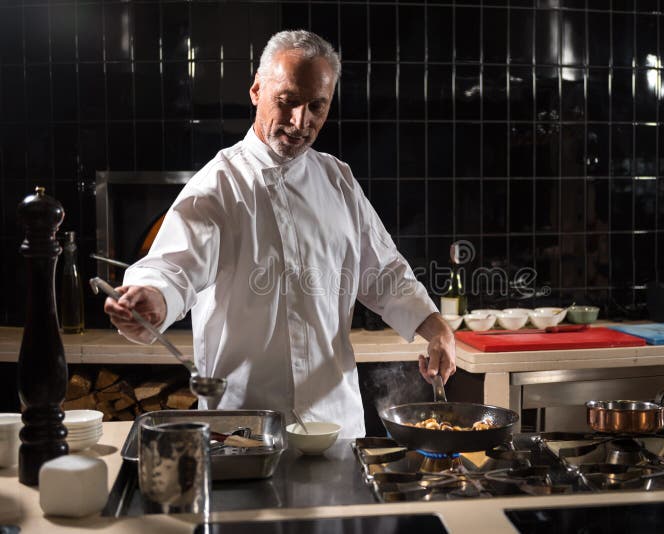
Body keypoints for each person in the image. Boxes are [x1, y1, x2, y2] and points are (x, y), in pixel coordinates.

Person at [103, 30, 456, 438]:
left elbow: (384, 272)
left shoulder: (337, 180)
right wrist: (151, 300)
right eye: (287, 102)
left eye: (316, 107)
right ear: (256, 89)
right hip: (243, 430)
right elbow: (171, 269)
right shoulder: (218, 184)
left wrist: (437, 329)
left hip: (334, 427)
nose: (300, 122)